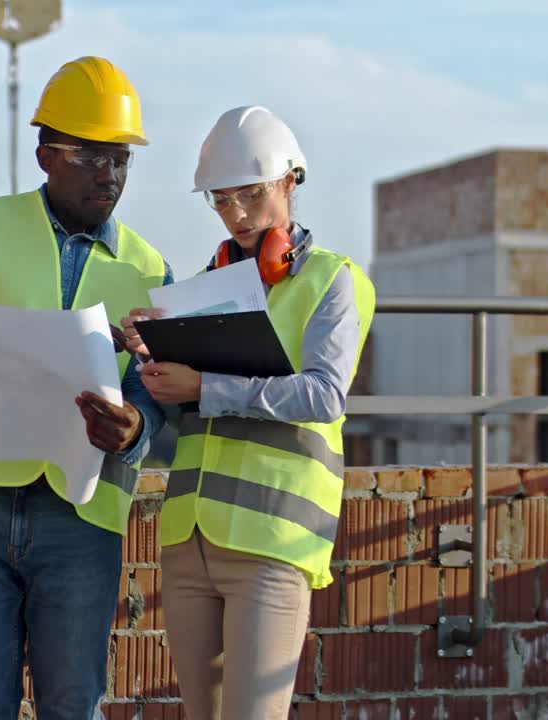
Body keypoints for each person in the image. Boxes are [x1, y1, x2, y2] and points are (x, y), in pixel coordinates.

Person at [0, 56, 173, 720]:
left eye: (120, 159)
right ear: (44, 156)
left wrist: (136, 430)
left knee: (73, 707)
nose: (109, 175)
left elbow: (155, 392)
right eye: (90, 157)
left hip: (81, 519)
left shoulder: (150, 269)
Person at [121, 106, 376, 719]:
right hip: (189, 539)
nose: (236, 214)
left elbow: (322, 395)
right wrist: (151, 356)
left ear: (290, 181)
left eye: (250, 195)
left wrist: (205, 385)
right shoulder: (205, 288)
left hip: (273, 539)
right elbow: (176, 400)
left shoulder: (333, 282)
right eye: (221, 199)